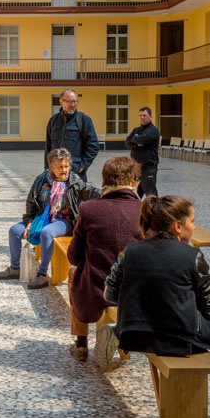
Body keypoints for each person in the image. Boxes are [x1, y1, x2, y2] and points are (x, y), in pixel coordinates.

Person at [101, 195, 210, 418]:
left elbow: (110, 295)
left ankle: (116, 328)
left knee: (142, 318)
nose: (194, 226)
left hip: (134, 335)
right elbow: (208, 311)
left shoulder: (130, 252)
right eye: (192, 221)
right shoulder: (192, 257)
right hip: (177, 339)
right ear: (177, 226)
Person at [67, 157, 142, 368]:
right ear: (133, 181)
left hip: (97, 288)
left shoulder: (89, 209)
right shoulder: (145, 210)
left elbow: (74, 255)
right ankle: (121, 341)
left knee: (73, 273)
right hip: (134, 290)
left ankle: (81, 344)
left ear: (105, 180)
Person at [0, 149, 99, 290]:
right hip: (41, 219)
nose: (64, 170)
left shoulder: (75, 182)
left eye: (66, 166)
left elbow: (91, 192)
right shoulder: (41, 180)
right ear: (51, 167)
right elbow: (31, 203)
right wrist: (29, 222)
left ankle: (42, 273)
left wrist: (110, 191)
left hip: (64, 221)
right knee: (14, 230)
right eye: (60, 167)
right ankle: (15, 268)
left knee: (46, 232)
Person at [44, 89, 99, 182]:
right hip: (55, 173)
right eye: (69, 102)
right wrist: (47, 168)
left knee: (76, 196)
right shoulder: (53, 120)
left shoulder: (84, 120)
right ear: (61, 102)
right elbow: (48, 147)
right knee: (55, 196)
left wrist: (83, 165)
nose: (73, 105)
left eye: (75, 101)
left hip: (75, 173)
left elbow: (93, 146)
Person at [124, 106, 160, 197]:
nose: (142, 117)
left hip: (148, 167)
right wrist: (136, 142)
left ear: (150, 117)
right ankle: (133, 210)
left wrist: (134, 139)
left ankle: (154, 211)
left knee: (151, 194)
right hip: (135, 167)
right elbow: (127, 143)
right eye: (140, 115)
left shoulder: (153, 130)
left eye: (144, 115)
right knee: (133, 194)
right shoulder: (136, 130)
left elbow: (142, 139)